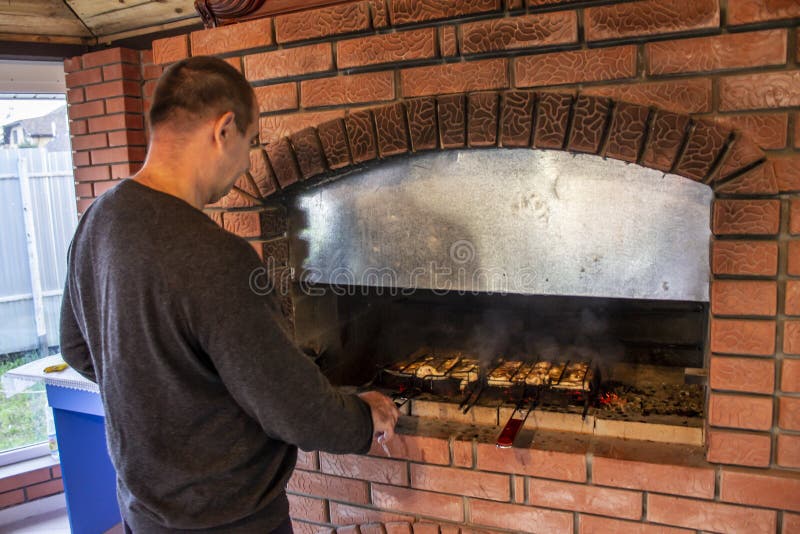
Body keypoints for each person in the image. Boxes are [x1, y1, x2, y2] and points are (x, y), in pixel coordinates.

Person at [59, 55, 399, 533]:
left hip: (143, 512)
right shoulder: (217, 256)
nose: (246, 162)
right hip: (229, 521)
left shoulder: (97, 221)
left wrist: (168, 394)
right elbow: (293, 408)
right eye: (252, 141)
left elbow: (77, 348)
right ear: (224, 130)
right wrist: (366, 418)